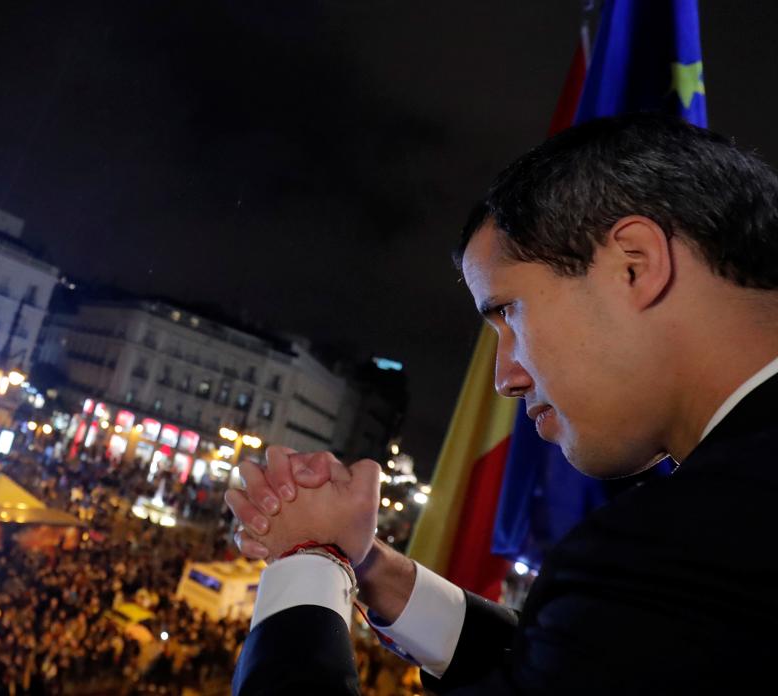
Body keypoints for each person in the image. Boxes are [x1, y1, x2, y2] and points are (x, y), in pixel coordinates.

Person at [226, 113, 778, 694]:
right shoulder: (728, 532)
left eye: (508, 312)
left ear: (633, 264)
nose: (505, 379)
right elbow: (587, 659)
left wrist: (307, 559)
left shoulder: (685, 543)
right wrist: (372, 569)